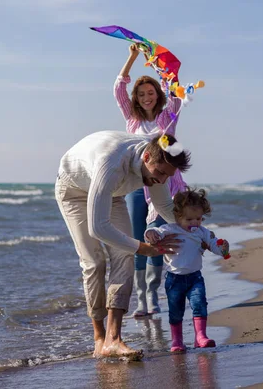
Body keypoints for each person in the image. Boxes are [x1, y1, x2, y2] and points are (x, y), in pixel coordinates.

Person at [55, 131, 192, 359]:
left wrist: (197, 233)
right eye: (160, 174)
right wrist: (142, 247)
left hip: (112, 193)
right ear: (146, 157)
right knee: (94, 262)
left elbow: (165, 207)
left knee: (124, 255)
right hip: (74, 191)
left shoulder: (158, 166)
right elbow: (97, 228)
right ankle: (99, 340)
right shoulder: (111, 163)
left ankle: (114, 338)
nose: (161, 181)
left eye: (168, 176)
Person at [114, 43, 187, 317]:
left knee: (157, 234)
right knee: (136, 238)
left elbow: (176, 93)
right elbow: (118, 90)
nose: (147, 97)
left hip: (163, 184)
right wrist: (132, 57)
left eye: (151, 92)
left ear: (158, 95)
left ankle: (153, 294)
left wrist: (161, 66)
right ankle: (142, 300)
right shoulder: (131, 120)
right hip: (136, 185)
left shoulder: (168, 117)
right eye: (142, 94)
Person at [144, 187, 230, 353]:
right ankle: (177, 341)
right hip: (174, 279)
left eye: (198, 218)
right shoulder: (171, 229)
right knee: (176, 310)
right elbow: (156, 232)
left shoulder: (202, 232)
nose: (195, 223)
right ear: (178, 217)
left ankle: (201, 337)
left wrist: (223, 249)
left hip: (195, 278)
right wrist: (151, 234)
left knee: (199, 304)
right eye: (189, 219)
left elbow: (214, 245)